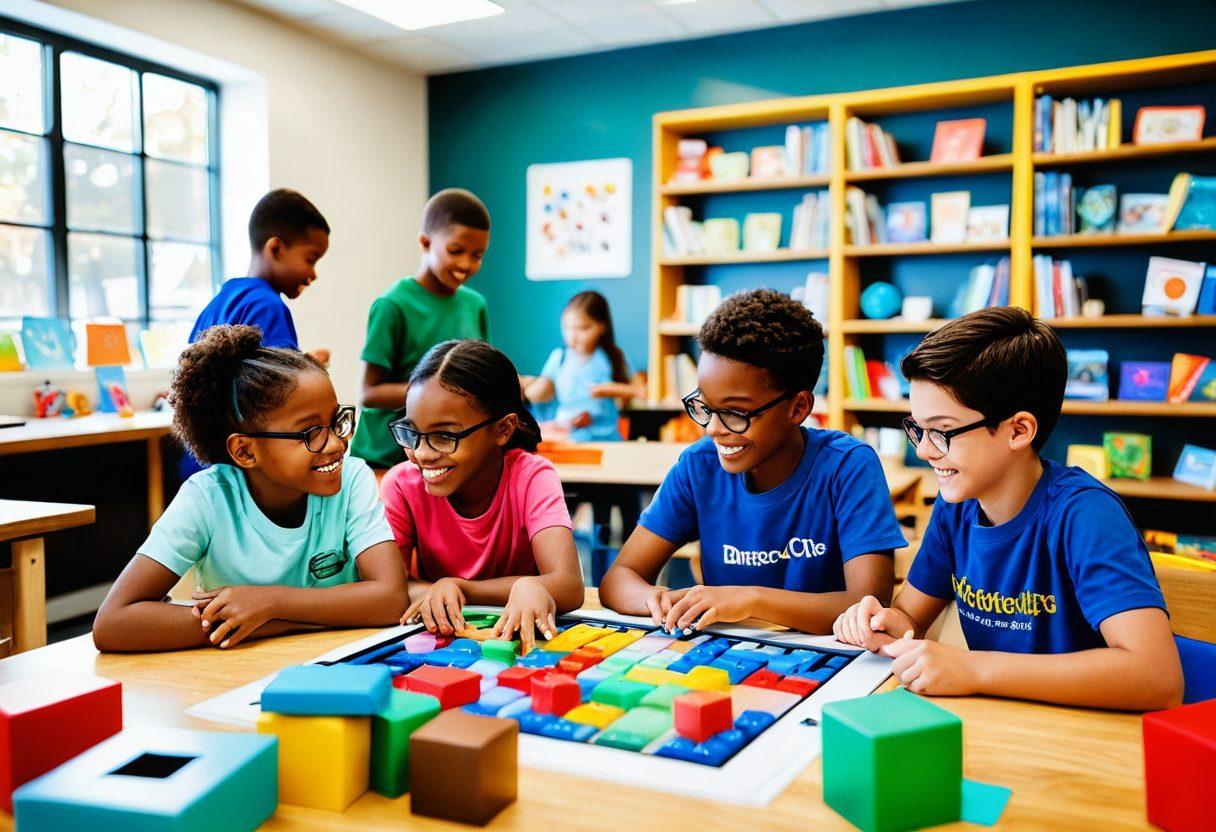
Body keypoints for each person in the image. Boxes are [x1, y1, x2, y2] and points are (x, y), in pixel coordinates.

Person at [832, 307, 1182, 711]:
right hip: (1001, 722)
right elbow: (909, 615)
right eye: (918, 429)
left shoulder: (1086, 516)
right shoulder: (958, 504)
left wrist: (974, 669)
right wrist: (885, 624)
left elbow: (1157, 678)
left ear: (1019, 430)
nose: (925, 450)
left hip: (1084, 735)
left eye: (943, 431)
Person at [599, 288, 905, 634]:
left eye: (734, 413)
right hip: (728, 659)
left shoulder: (848, 466)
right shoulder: (699, 467)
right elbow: (619, 579)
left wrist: (751, 600)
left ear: (799, 408)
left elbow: (868, 605)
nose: (714, 429)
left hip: (829, 660)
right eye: (706, 406)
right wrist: (659, 601)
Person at [93, 325, 407, 652]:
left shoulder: (352, 478)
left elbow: (389, 598)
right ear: (245, 451)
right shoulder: (208, 499)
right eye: (310, 432)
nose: (336, 443)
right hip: (233, 679)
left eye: (335, 422)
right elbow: (114, 623)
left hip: (333, 664)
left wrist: (270, 604)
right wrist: (271, 618)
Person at [381, 339, 584, 652]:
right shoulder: (402, 485)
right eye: (412, 433)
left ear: (502, 430)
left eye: (444, 436)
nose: (422, 453)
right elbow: (388, 589)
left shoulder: (531, 476)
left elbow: (568, 586)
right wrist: (440, 591)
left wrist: (461, 588)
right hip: (445, 644)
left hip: (524, 642)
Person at [350, 188, 492, 471]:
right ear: (425, 242)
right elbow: (370, 392)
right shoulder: (392, 304)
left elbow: (481, 380)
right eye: (455, 251)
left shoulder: (475, 305)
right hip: (385, 460)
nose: (466, 264)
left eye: (477, 255)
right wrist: (440, 393)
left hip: (445, 458)